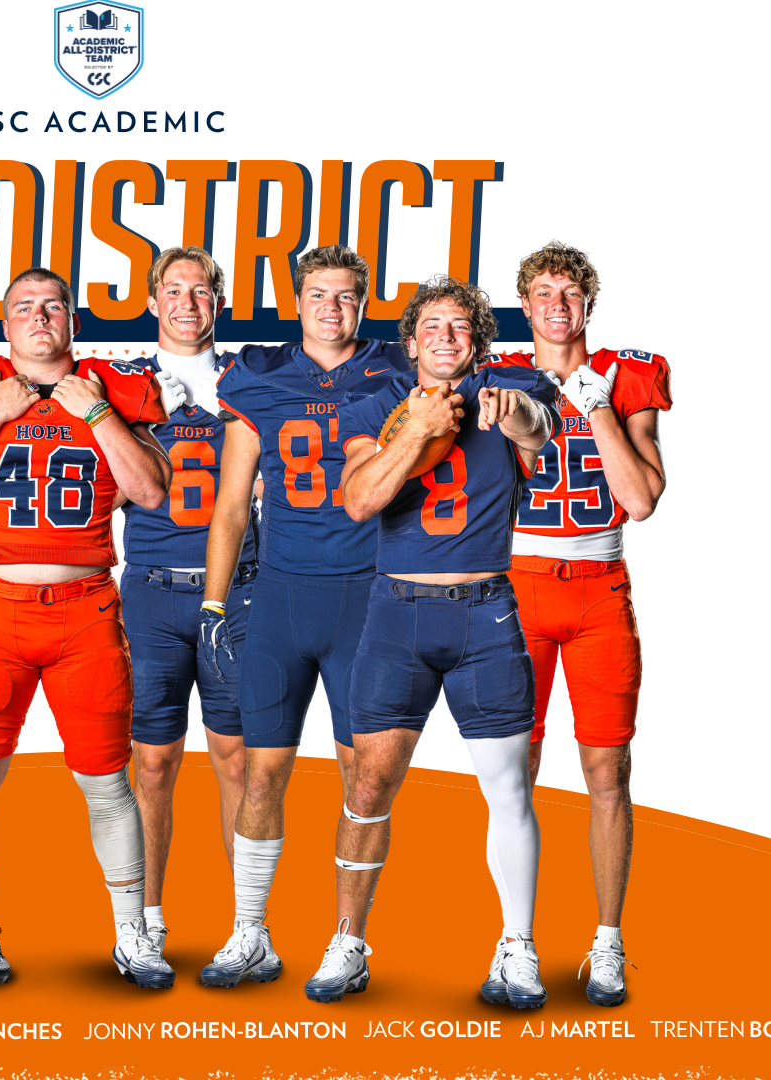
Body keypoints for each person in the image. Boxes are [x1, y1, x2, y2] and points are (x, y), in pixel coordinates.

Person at [0, 268, 171, 988]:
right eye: (24, 306)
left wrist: (99, 416)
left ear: (72, 320)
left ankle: (133, 934)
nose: (39, 316)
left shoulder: (111, 388)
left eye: (53, 305)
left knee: (106, 782)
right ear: (4, 325)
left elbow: (151, 492)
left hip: (86, 611)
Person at [320, 276, 559, 1006]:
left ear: (479, 341)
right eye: (432, 326)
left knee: (509, 788)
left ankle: (517, 946)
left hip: (484, 613)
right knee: (367, 784)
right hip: (398, 614)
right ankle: (348, 939)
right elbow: (361, 498)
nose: (446, 337)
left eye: (461, 327)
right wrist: (421, 428)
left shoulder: (509, 385)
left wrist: (511, 411)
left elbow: (536, 432)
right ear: (411, 339)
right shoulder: (374, 403)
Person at [196, 245, 409, 987]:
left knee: (364, 778)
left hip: (370, 596)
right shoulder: (258, 375)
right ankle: (250, 931)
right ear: (297, 300)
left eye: (348, 296)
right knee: (262, 773)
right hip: (284, 593)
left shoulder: (397, 369)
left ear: (364, 303)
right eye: (320, 294)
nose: (333, 308)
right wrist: (215, 605)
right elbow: (230, 504)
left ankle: (349, 941)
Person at [489, 241, 670, 1006]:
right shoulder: (495, 376)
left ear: (588, 304)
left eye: (570, 292)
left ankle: (606, 943)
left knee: (607, 773)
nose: (557, 304)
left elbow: (640, 498)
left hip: (600, 590)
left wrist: (594, 406)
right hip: (517, 589)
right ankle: (517, 942)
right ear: (524, 307)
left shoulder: (629, 374)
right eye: (543, 292)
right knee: (510, 775)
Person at [118, 246, 257, 985]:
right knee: (153, 761)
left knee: (238, 758)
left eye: (201, 291)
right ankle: (145, 921)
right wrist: (136, 428)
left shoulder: (253, 380)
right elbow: (85, 493)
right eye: (173, 290)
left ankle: (247, 923)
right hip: (150, 587)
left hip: (238, 589)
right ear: (151, 301)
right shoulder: (123, 384)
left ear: (218, 302)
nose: (187, 302)